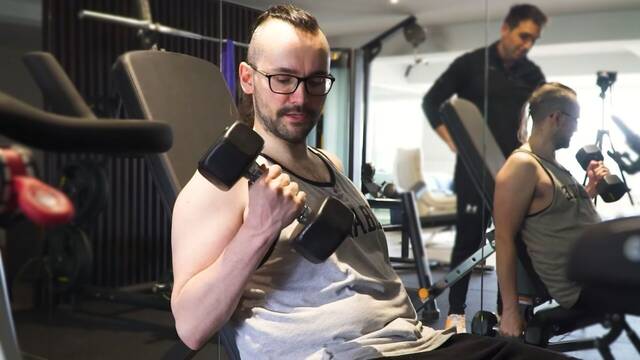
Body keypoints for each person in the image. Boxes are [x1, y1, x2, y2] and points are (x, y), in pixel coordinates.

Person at [171, 4, 571, 359]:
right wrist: (258, 230)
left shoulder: (330, 165)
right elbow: (191, 328)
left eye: (315, 82)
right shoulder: (221, 185)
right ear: (246, 78)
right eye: (282, 78)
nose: (300, 97)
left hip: (420, 341)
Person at [421, 4, 547, 332]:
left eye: (533, 39)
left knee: (516, 243)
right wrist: (455, 143)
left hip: (516, 171)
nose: (527, 44)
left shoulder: (532, 75)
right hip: (473, 170)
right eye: (523, 36)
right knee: (468, 240)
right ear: (505, 28)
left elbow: (540, 121)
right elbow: (431, 101)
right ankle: (457, 313)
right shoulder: (471, 64)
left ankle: (507, 313)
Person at [494, 82, 605, 337]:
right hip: (583, 285)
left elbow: (560, 215)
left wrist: (590, 190)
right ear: (556, 118)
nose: (577, 128)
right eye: (575, 120)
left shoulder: (555, 166)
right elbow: (503, 238)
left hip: (600, 271)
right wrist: (510, 312)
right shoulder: (523, 166)